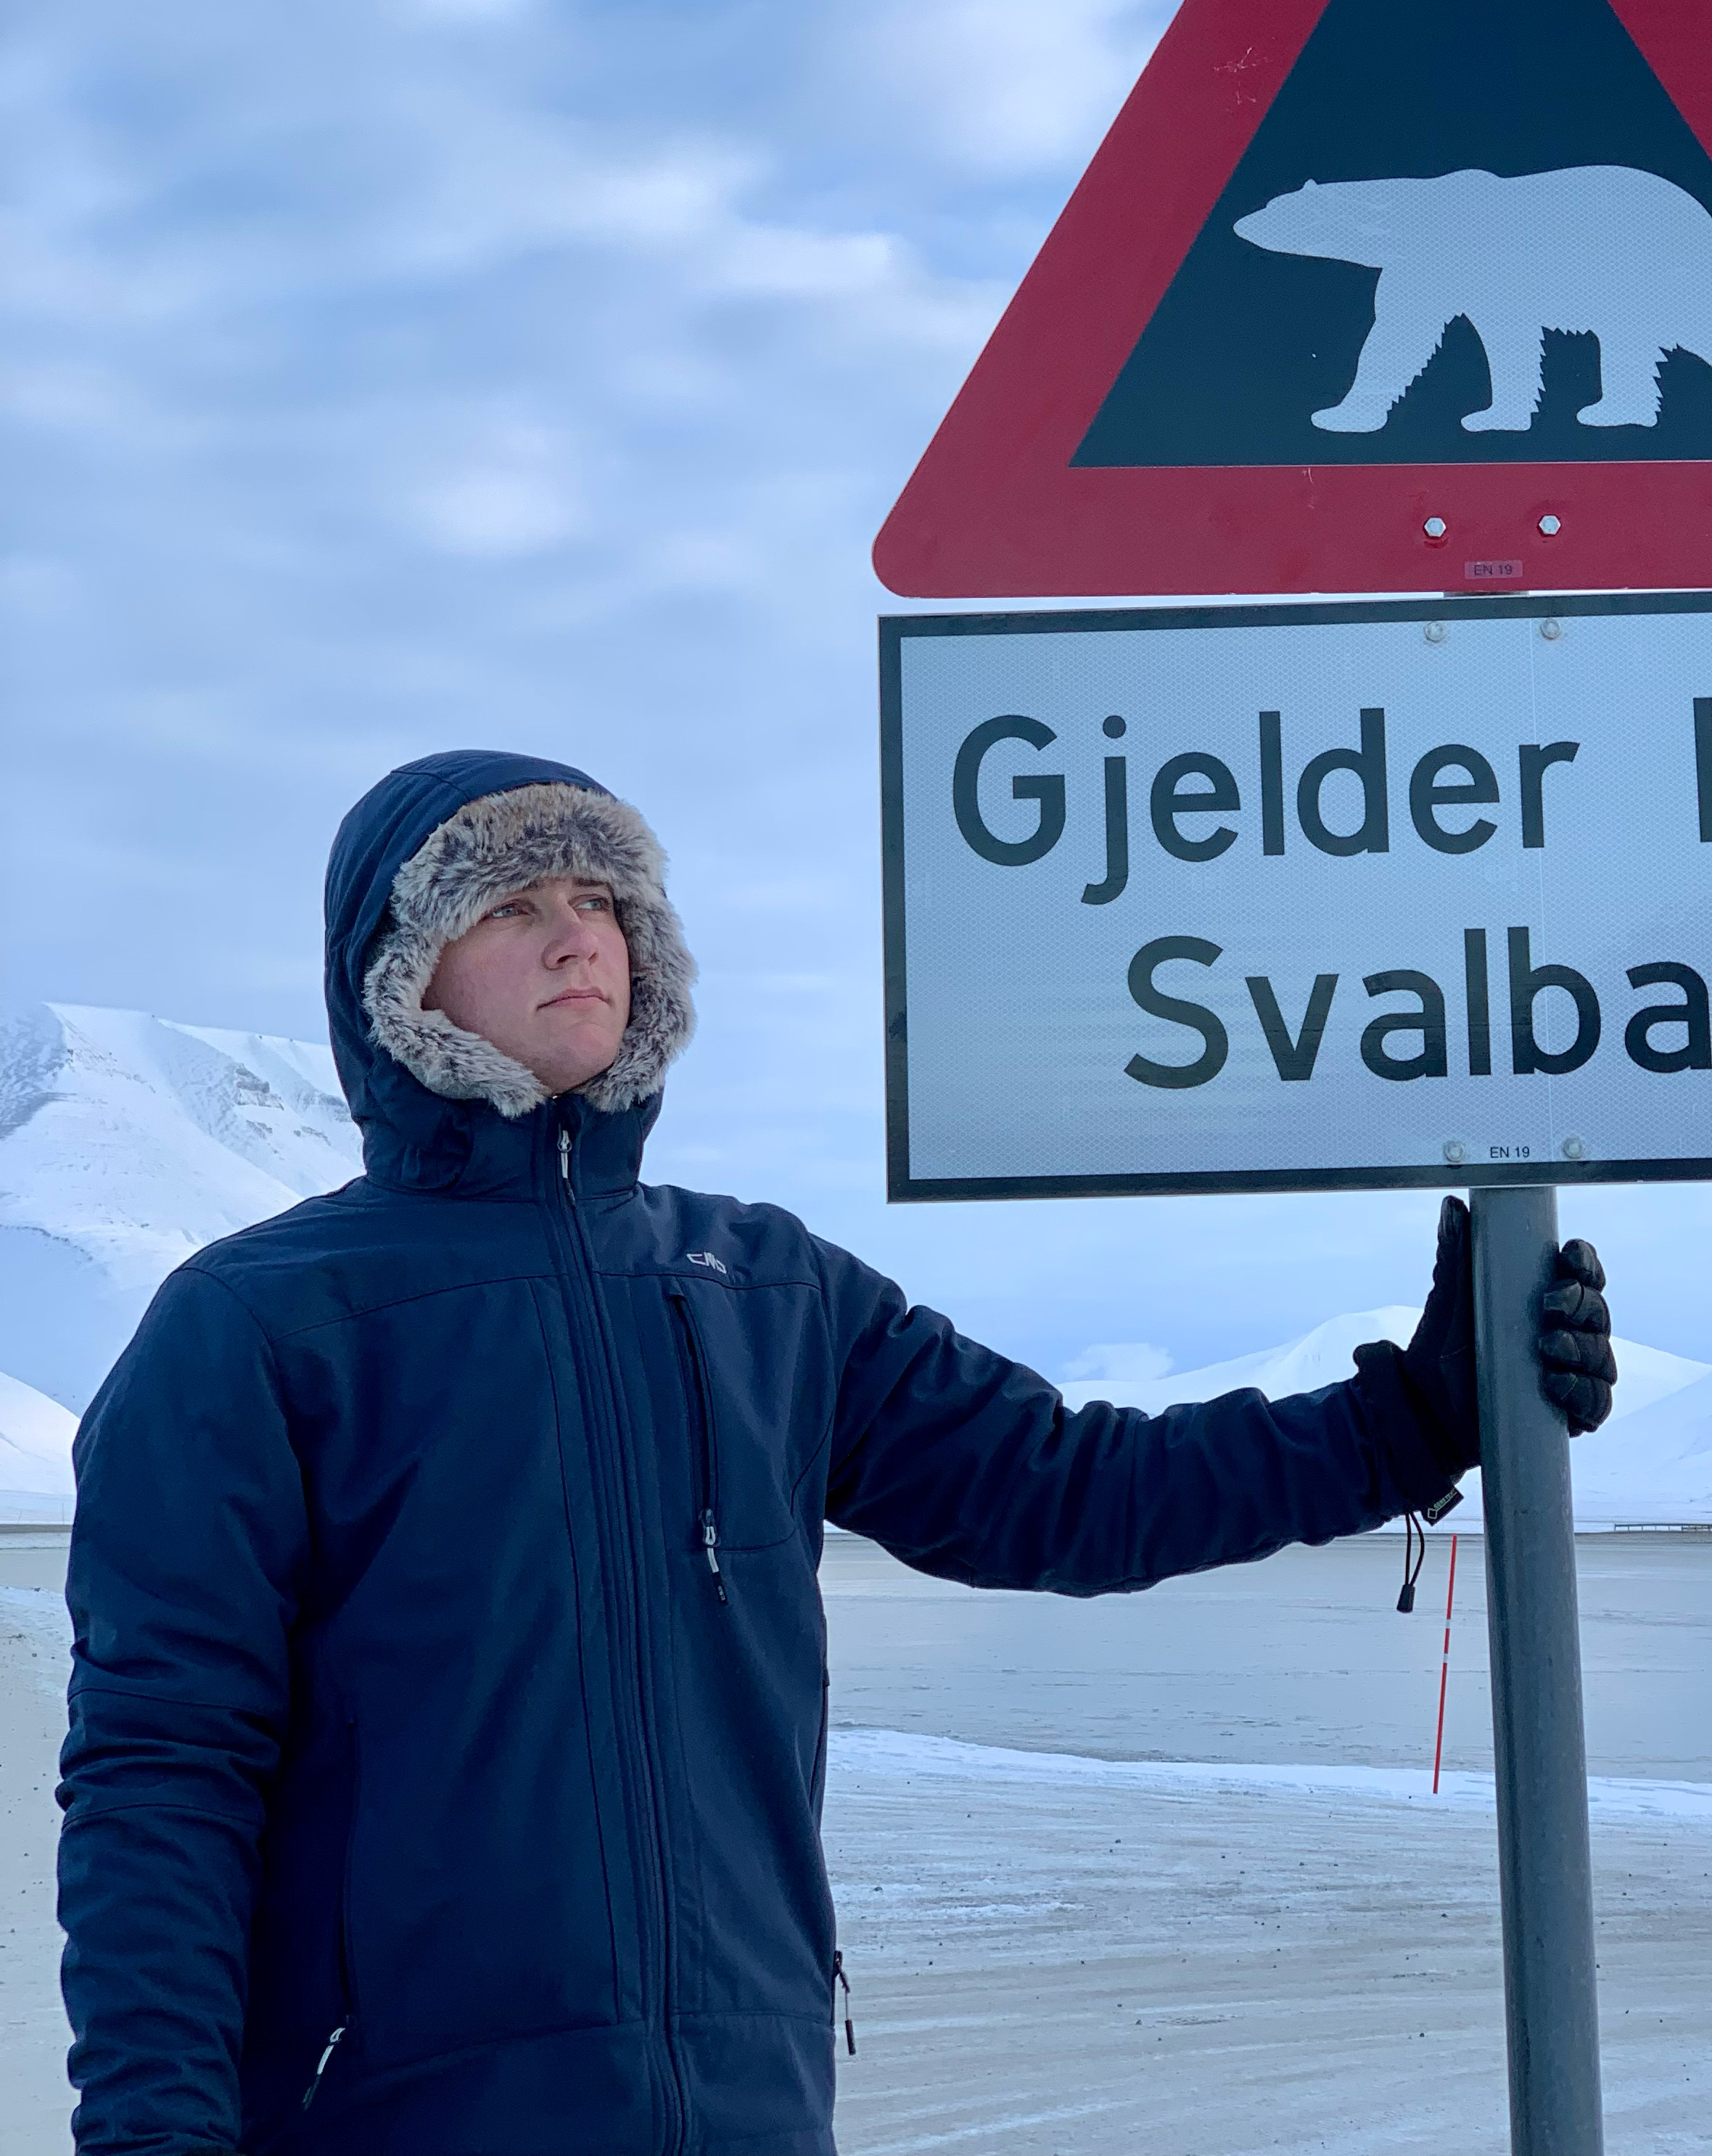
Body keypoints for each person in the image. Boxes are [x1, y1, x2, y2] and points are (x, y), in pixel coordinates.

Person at [58, 748, 1617, 2156]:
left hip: (744, 2104)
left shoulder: (763, 1290)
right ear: (399, 978)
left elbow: (1066, 1491)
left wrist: (1408, 1424)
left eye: (601, 896)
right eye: (511, 902)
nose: (575, 932)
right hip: (390, 2115)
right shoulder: (262, 1331)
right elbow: (164, 1772)